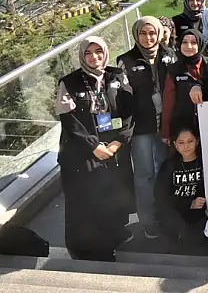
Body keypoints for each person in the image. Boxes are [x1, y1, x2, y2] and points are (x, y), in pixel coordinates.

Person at [55, 36, 135, 261]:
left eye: (98, 52)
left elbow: (129, 111)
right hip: (81, 154)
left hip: (113, 149)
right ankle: (87, 249)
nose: (94, 57)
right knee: (85, 201)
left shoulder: (117, 76)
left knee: (113, 196)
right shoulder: (69, 82)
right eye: (88, 53)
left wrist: (119, 141)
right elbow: (69, 122)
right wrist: (93, 147)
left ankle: (115, 234)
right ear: (82, 56)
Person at [116, 16, 175, 240]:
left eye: (153, 33)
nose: (149, 38)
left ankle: (165, 215)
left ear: (160, 33)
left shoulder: (169, 55)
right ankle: (148, 220)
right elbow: (123, 96)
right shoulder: (126, 60)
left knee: (164, 171)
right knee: (144, 174)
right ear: (136, 34)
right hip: (141, 127)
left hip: (167, 125)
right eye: (143, 33)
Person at [154, 126, 208, 251]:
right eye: (181, 143)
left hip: (200, 213)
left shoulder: (205, 163)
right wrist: (189, 203)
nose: (186, 146)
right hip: (176, 210)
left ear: (197, 141)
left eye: (190, 141)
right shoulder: (169, 165)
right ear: (175, 145)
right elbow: (160, 195)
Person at [161, 29, 203, 142]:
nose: (188, 46)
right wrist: (166, 132)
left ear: (200, 44)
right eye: (184, 42)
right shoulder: (174, 69)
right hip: (183, 127)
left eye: (194, 42)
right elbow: (168, 102)